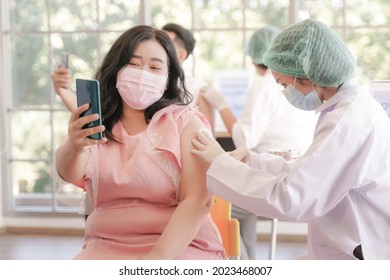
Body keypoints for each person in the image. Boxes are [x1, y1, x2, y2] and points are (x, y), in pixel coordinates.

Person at [191, 18, 390, 260]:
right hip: (349, 242)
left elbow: (292, 198)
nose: (284, 91)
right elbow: (307, 171)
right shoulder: (348, 108)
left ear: (308, 76)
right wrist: (253, 160)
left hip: (362, 250)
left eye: (283, 84)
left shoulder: (348, 120)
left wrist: (220, 164)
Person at [55, 25, 225, 260]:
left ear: (168, 79)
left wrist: (156, 259)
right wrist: (74, 146)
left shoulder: (187, 123)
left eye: (155, 67)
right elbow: (67, 172)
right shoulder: (95, 120)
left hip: (179, 247)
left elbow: (197, 200)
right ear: (116, 69)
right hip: (105, 244)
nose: (143, 73)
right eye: (133, 64)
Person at [199, 26, 317, 259]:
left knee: (218, 201)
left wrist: (221, 105)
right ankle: (249, 260)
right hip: (294, 167)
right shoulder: (300, 86)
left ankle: (240, 264)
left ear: (254, 60)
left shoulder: (264, 85)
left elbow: (245, 138)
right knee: (242, 205)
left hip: (277, 174)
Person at [162, 23, 215, 133]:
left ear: (181, 55)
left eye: (165, 46)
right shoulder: (146, 83)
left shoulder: (198, 89)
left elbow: (208, 139)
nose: (157, 49)